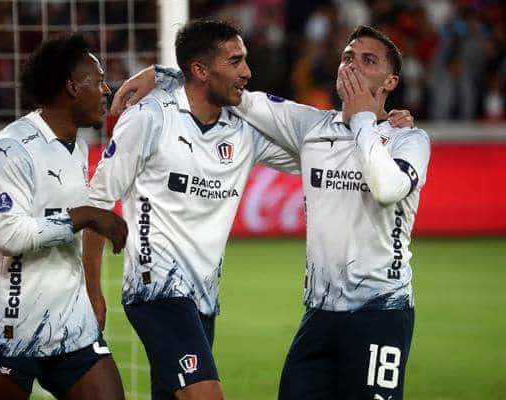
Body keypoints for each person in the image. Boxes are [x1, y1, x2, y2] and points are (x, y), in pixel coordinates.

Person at [113, 25, 429, 400]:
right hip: (320, 316)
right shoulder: (311, 128)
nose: (353, 65)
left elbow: (387, 187)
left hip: (381, 312)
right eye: (348, 57)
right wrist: (165, 74)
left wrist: (364, 120)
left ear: (390, 81)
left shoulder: (408, 140)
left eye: (368, 60)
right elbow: (239, 96)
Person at [82, 20, 301, 400]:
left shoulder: (244, 128)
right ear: (200, 70)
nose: (247, 72)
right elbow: (97, 204)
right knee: (205, 394)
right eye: (235, 62)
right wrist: (92, 291)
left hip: (203, 296)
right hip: (156, 291)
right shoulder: (150, 119)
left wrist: (378, 129)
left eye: (245, 60)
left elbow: (311, 154)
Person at [0, 34, 128, 400]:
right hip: (12, 328)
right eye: (97, 79)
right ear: (72, 87)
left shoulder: (78, 146)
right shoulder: (10, 149)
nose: (106, 89)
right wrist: (86, 215)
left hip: (71, 324)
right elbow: (10, 235)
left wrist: (92, 290)